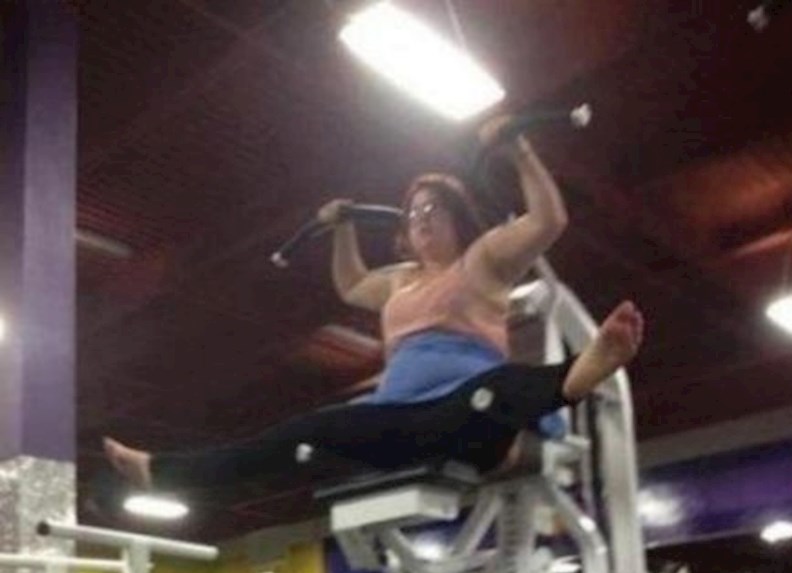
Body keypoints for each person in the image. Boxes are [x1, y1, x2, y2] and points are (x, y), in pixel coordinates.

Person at [103, 116, 644, 495]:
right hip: (396, 419)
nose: (422, 219)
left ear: (457, 217)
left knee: (496, 388)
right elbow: (351, 286)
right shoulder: (399, 281)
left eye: (434, 210)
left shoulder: (482, 260)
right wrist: (343, 229)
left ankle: (581, 371)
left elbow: (549, 220)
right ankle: (163, 472)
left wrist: (517, 150)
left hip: (469, 414)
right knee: (297, 432)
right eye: (414, 213)